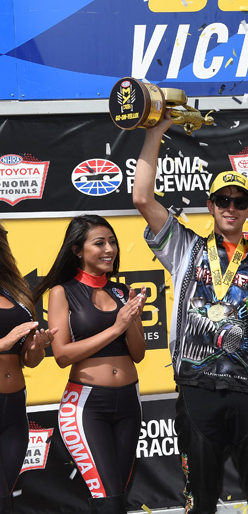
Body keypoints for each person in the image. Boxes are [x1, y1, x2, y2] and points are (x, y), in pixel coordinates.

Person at [133, 118, 248, 514]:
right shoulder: (185, 248)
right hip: (197, 386)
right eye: (223, 200)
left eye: (240, 202)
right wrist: (155, 134)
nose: (231, 208)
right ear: (211, 205)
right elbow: (141, 198)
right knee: (201, 502)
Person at [33, 215, 146, 514]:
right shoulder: (62, 292)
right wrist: (116, 327)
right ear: (77, 250)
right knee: (107, 497)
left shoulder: (123, 292)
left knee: (118, 495)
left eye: (112, 242)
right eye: (99, 243)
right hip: (86, 405)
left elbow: (138, 354)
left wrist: (132, 319)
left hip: (129, 403)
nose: (109, 249)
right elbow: (62, 355)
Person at [0, 223, 55, 514]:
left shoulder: (15, 290)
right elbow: (8, 341)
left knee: (6, 492)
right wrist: (5, 341)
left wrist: (36, 346)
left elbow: (29, 360)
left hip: (14, 408)